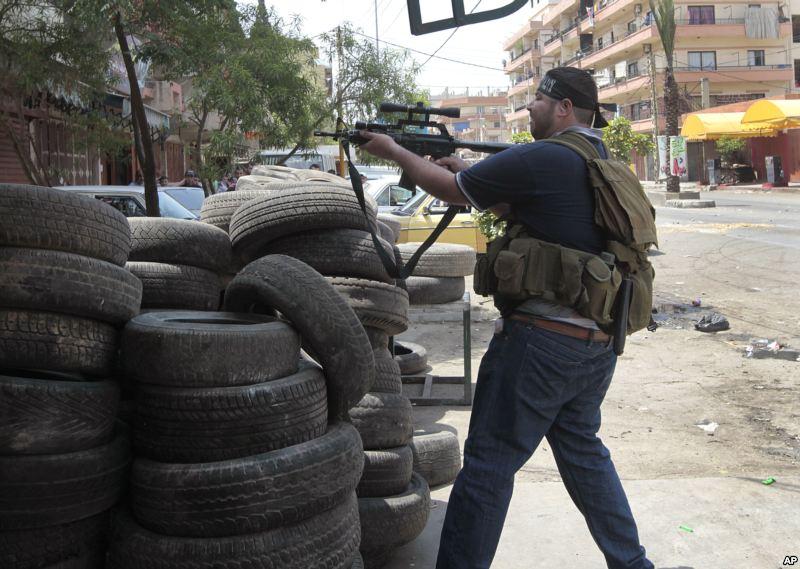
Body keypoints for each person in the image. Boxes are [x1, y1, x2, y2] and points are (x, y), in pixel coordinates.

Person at [360, 67, 654, 569]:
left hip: (542, 343)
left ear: (564, 107)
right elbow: (523, 204)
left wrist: (391, 150)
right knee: (584, 456)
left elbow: (453, 192)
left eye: (537, 99)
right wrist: (462, 170)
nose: (530, 109)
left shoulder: (546, 157)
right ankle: (632, 564)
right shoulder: (598, 158)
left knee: (487, 468)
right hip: (597, 341)